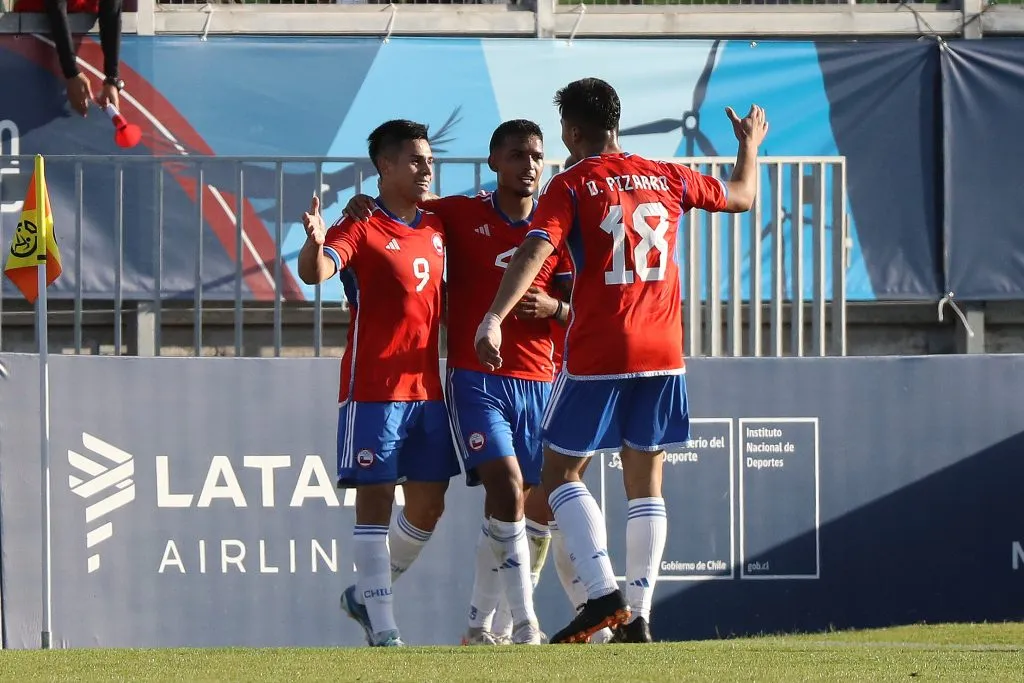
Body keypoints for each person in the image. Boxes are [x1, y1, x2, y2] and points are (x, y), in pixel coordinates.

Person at [475, 77, 768, 644]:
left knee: (559, 472)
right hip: (664, 350)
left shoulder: (574, 182)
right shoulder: (667, 174)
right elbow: (741, 196)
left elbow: (537, 249)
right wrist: (749, 144)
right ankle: (639, 615)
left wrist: (492, 317)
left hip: (602, 347)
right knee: (646, 481)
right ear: (618, 120)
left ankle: (603, 592)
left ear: (573, 130)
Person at [344, 119, 570, 646]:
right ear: (494, 163)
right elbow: (397, 216)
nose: (528, 165)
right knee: (507, 488)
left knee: (512, 506)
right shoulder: (458, 213)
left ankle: (471, 623)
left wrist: (557, 307)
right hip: (476, 378)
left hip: (542, 379)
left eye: (536, 155)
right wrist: (361, 204)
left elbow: (584, 310)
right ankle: (525, 624)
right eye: (515, 155)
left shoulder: (558, 227)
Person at [298, 119, 461, 648]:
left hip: (426, 390)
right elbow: (317, 270)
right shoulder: (361, 224)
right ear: (384, 167)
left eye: (429, 159)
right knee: (375, 499)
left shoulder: (439, 224)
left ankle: (368, 592)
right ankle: (384, 625)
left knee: (429, 504)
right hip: (374, 387)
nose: (426, 168)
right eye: (415, 160)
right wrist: (316, 244)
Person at [15, 0, 124, 116]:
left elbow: (112, 6)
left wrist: (112, 79)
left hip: (74, 35)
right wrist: (71, 72)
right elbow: (56, 5)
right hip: (29, 33)